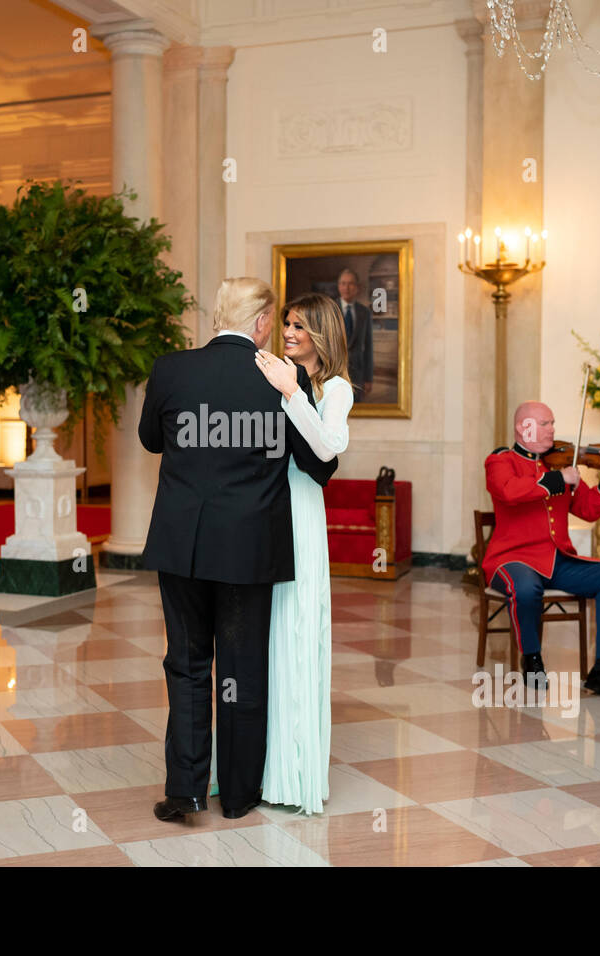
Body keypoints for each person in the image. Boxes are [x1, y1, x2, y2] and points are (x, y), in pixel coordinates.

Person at [139, 277, 338, 823]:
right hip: (248, 548)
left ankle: (185, 790)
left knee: (185, 663)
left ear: (217, 316)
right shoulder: (282, 379)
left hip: (182, 544)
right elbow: (317, 464)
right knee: (242, 669)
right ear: (262, 324)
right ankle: (241, 795)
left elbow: (150, 440)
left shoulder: (171, 368)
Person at [250, 293, 352, 814]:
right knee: (265, 634)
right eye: (286, 324)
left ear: (322, 334)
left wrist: (293, 393)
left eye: (299, 326)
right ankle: (259, 767)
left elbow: (327, 449)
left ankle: (294, 775)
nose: (288, 332)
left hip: (302, 514)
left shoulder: (335, 389)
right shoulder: (277, 375)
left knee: (296, 627)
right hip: (264, 510)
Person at [482, 402, 600, 699]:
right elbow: (509, 491)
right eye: (543, 423)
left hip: (557, 559)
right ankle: (532, 659)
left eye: (552, 423)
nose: (551, 429)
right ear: (522, 427)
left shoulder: (557, 465)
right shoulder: (500, 460)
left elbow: (589, 510)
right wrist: (558, 480)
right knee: (526, 589)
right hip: (511, 558)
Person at [335, 268, 374, 401]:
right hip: (333, 372)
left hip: (358, 374)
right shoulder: (329, 309)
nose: (347, 287)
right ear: (339, 286)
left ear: (357, 287)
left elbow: (368, 347)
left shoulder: (364, 312)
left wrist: (368, 378)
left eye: (351, 283)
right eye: (343, 283)